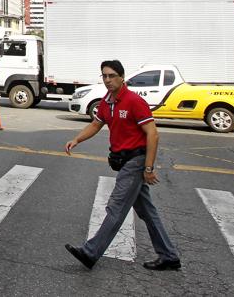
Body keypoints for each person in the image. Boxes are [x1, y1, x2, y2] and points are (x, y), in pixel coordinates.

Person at [64, 59, 181, 272]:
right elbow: (96, 124)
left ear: (122, 77)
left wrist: (148, 168)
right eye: (104, 76)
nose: (108, 80)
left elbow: (153, 134)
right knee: (147, 211)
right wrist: (77, 139)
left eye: (112, 76)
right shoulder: (107, 101)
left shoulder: (134, 101)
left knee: (116, 207)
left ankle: (90, 252)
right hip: (123, 161)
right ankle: (169, 256)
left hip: (135, 161)